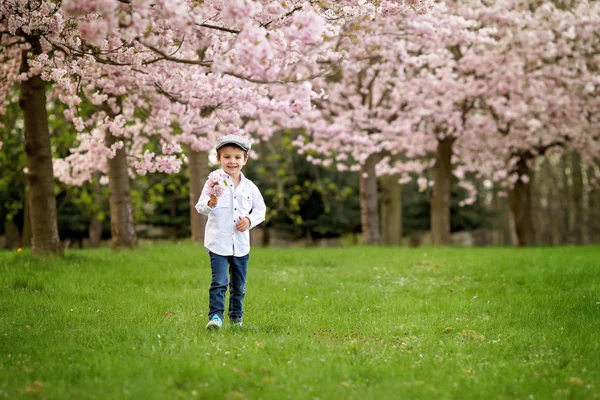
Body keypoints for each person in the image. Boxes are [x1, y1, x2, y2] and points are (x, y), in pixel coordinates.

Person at [195, 134, 266, 330]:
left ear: (245, 160)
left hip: (241, 245)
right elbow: (200, 206)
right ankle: (216, 317)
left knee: (239, 286)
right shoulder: (214, 182)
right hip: (218, 242)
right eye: (227, 157)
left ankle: (236, 320)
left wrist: (249, 220)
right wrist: (210, 203)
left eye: (237, 157)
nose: (232, 161)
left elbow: (261, 210)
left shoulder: (250, 187)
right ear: (218, 159)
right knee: (219, 281)